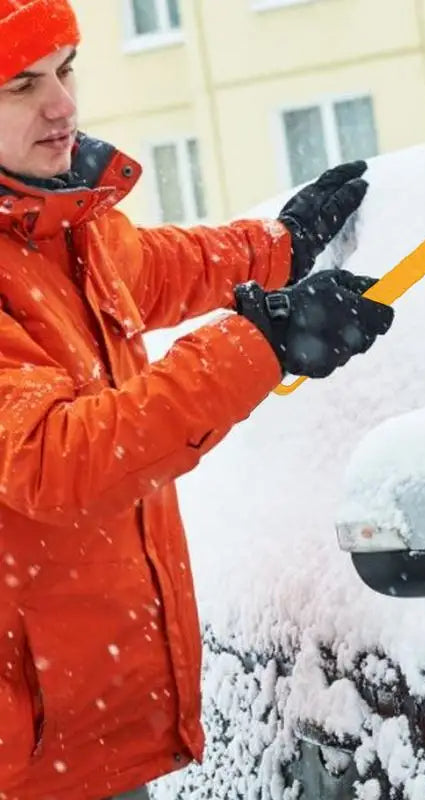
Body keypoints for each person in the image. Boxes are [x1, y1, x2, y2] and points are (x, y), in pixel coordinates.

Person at [0, 1, 395, 798]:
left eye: (67, 70)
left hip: (86, 730)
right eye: (22, 85)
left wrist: (279, 247)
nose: (63, 104)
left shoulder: (61, 226)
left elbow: (158, 268)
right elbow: (57, 459)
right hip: (29, 754)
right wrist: (264, 343)